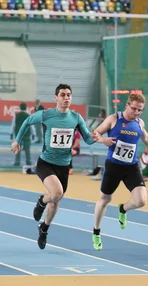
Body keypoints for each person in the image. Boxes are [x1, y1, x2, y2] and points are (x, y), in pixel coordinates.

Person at [12, 84, 97, 250]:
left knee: (56, 200)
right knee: (56, 193)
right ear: (56, 97)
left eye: (69, 95)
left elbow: (87, 139)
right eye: (63, 95)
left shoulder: (76, 118)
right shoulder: (46, 115)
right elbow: (27, 122)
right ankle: (41, 201)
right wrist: (17, 140)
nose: (66, 98)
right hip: (46, 163)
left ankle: (44, 228)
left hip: (63, 166)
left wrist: (99, 138)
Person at [90, 93, 148, 250]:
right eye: (134, 109)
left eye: (140, 110)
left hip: (131, 167)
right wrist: (103, 139)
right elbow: (95, 133)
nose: (136, 113)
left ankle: (122, 209)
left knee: (141, 200)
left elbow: (146, 137)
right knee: (104, 200)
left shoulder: (139, 122)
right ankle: (96, 232)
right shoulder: (114, 119)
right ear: (127, 105)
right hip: (114, 166)